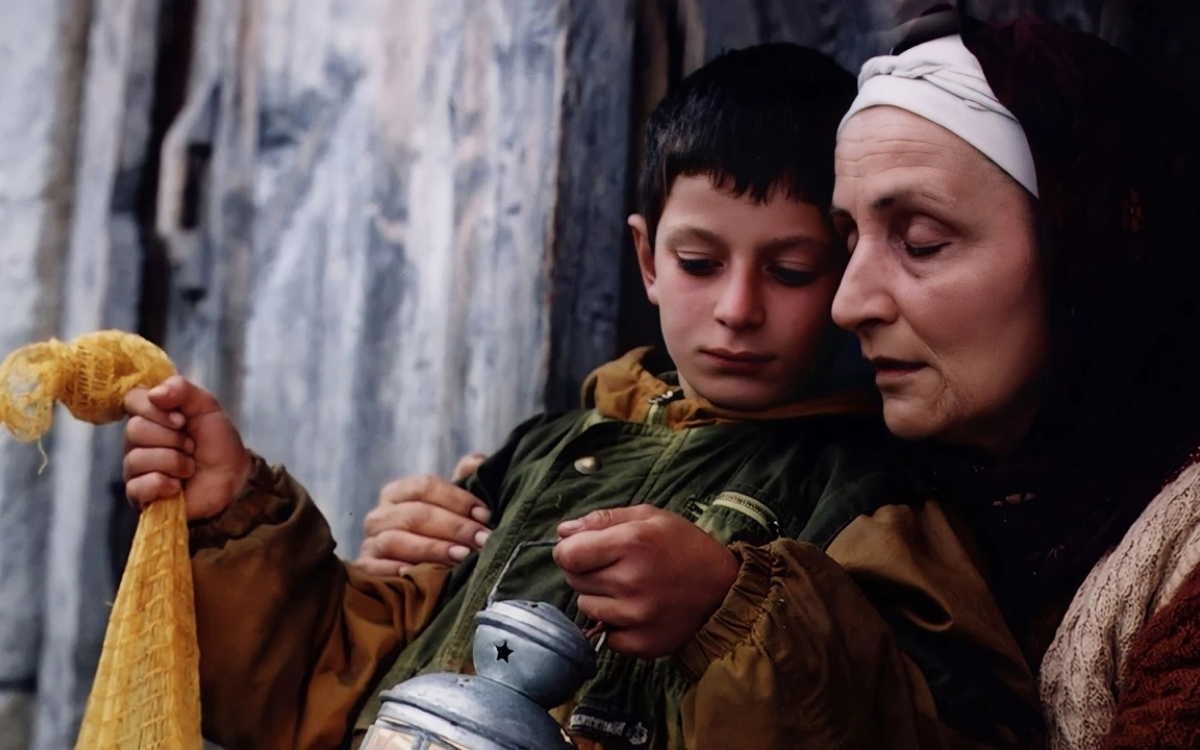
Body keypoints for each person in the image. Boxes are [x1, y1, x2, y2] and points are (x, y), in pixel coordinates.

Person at [122, 43, 1038, 750]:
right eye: (699, 262)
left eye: (792, 270)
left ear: (847, 271)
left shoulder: (872, 500)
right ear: (647, 257)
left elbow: (949, 727)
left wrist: (733, 613)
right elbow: (321, 696)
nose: (738, 308)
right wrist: (235, 518)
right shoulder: (546, 454)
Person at [826, 12, 1200, 749]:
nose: (848, 303)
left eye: (921, 241)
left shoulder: (1180, 557)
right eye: (846, 240)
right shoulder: (852, 492)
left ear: (1080, 254)